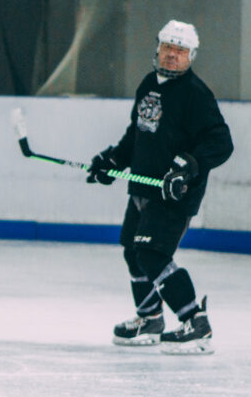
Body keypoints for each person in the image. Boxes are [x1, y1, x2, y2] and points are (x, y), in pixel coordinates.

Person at [87, 20, 233, 355]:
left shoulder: (196, 94)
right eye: (168, 47)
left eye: (180, 50)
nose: (172, 55)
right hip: (142, 187)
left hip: (174, 193)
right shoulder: (148, 85)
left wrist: (188, 167)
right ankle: (150, 318)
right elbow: (138, 133)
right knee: (132, 251)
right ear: (158, 48)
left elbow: (221, 142)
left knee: (153, 255)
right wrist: (113, 160)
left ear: (191, 56)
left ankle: (195, 322)